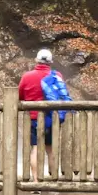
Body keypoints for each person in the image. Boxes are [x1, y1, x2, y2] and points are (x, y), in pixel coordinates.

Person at [18, 48, 70, 176]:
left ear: (37, 61)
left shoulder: (27, 76)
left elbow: (20, 96)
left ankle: (36, 182)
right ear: (50, 62)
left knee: (35, 148)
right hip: (51, 118)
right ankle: (53, 181)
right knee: (50, 149)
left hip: (34, 118)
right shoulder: (56, 75)